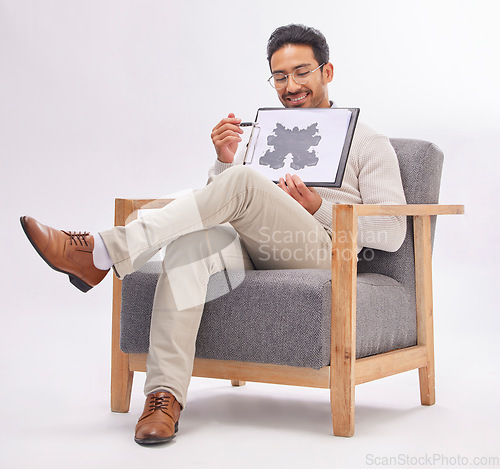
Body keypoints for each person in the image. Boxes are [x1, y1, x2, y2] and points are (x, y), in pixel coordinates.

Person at [20, 24, 407, 445]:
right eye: (280, 76)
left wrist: (318, 206)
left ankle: (101, 252)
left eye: (302, 72)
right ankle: (163, 396)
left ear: (327, 72)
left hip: (320, 250)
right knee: (191, 243)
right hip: (253, 247)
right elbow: (218, 205)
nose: (291, 86)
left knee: (241, 181)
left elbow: (392, 230)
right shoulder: (262, 139)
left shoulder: (369, 141)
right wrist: (225, 161)